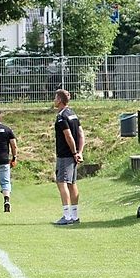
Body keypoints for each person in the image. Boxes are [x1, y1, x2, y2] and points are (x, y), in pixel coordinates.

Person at [52, 90, 85, 225]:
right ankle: (75, 215)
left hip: (65, 154)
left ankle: (67, 216)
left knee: (62, 182)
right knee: (72, 183)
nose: (54, 100)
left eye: (55, 98)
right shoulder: (73, 114)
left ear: (59, 100)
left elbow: (68, 135)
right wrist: (79, 152)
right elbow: (81, 134)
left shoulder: (61, 116)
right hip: (73, 154)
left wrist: (73, 152)